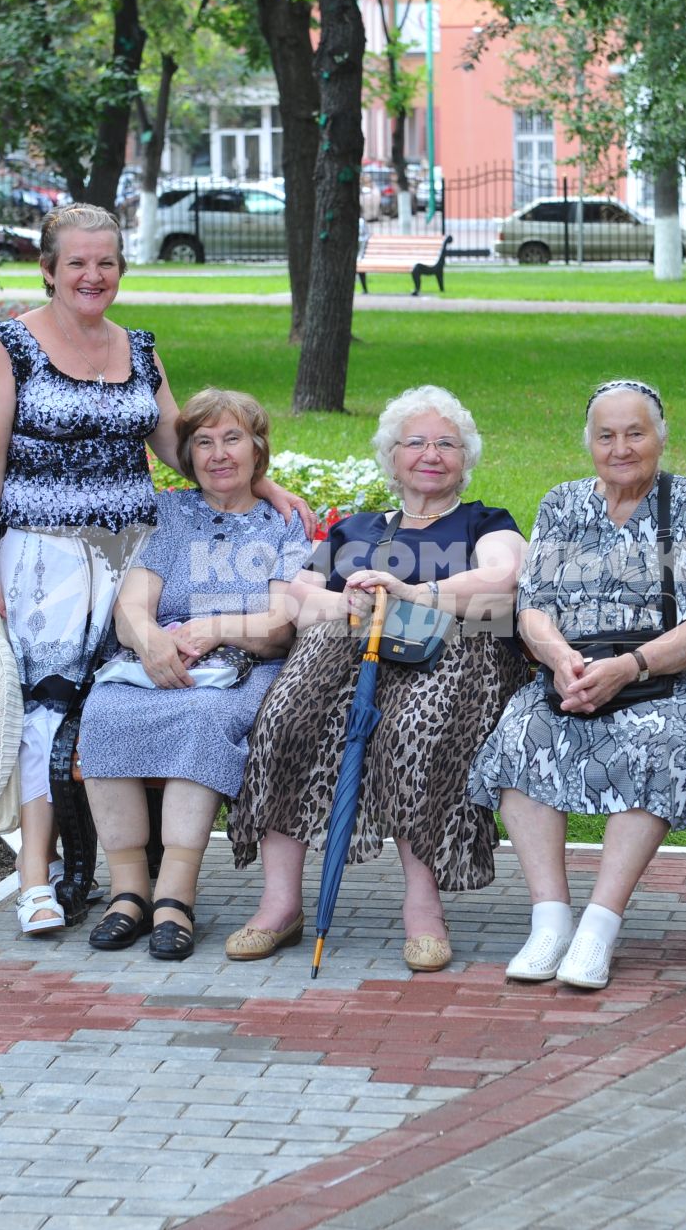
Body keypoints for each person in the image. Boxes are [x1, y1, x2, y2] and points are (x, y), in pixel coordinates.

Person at [0, 203, 308, 937]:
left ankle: (130, 877)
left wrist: (265, 484)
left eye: (107, 262)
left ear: (121, 268)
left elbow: (185, 447)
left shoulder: (140, 350)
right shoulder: (13, 347)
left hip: (134, 547)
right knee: (49, 708)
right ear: (49, 270)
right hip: (44, 550)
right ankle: (37, 878)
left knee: (120, 699)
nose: (93, 276)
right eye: (78, 263)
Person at [225, 385, 529, 972]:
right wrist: (348, 602)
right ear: (392, 458)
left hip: (456, 655)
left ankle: (423, 911)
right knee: (284, 721)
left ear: (465, 458)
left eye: (447, 443)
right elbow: (295, 596)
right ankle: (280, 905)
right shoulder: (359, 530)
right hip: (349, 651)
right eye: (414, 442)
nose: (430, 453)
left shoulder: (483, 521)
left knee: (410, 733)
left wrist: (415, 593)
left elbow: (504, 577)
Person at [470, 381, 686, 990]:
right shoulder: (563, 506)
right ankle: (550, 922)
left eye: (635, 433)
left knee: (655, 739)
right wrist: (560, 657)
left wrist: (631, 667)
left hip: (679, 685)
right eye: (606, 435)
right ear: (589, 443)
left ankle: (599, 926)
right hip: (581, 675)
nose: (621, 448)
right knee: (521, 732)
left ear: (661, 439)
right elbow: (532, 608)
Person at [75, 389, 310, 960]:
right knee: (105, 709)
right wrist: (152, 641)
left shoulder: (282, 524)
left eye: (232, 439)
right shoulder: (170, 513)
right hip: (162, 663)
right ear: (187, 454)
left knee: (203, 716)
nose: (218, 453)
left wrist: (218, 628)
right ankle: (127, 892)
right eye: (203, 442)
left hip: (245, 666)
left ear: (258, 451)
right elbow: (132, 605)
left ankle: (175, 898)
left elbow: (281, 624)